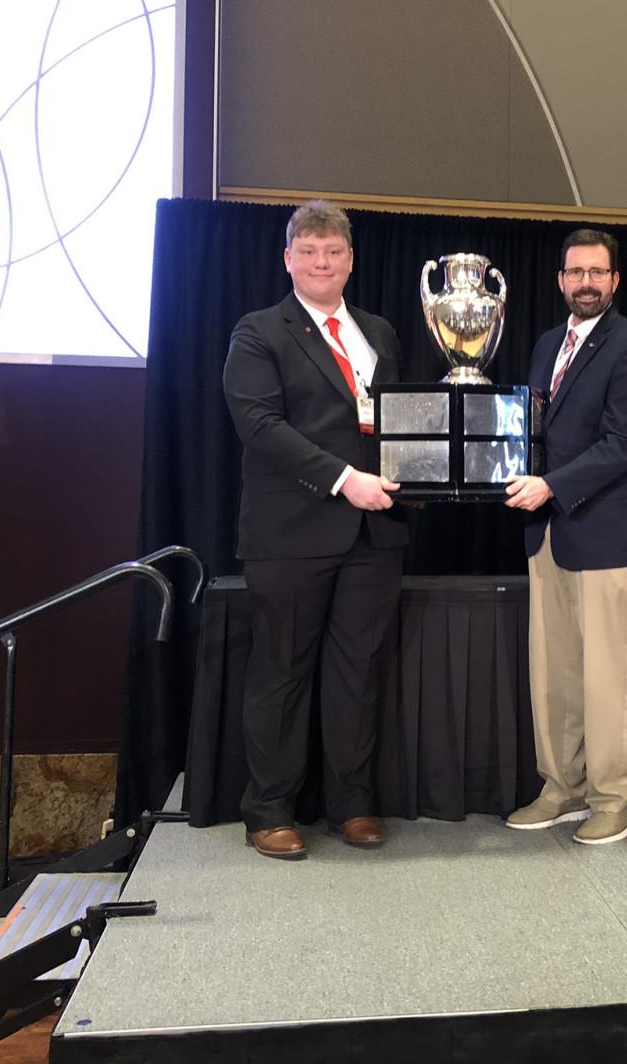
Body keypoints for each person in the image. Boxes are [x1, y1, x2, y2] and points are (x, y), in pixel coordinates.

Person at [221, 201, 407, 861]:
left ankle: (351, 804)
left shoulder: (379, 333)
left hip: (373, 537)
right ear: (288, 260)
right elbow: (261, 427)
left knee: (358, 675)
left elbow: (393, 424)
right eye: (309, 252)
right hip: (291, 532)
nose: (322, 263)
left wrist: (422, 464)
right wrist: (341, 479)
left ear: (350, 260)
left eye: (333, 253)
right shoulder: (259, 332)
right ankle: (269, 810)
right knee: (282, 675)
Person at [503, 228, 627, 845]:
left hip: (604, 536)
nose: (586, 283)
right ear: (561, 281)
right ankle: (560, 788)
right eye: (576, 273)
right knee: (555, 674)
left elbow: (626, 443)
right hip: (547, 536)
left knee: (606, 677)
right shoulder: (547, 344)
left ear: (615, 282)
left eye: (598, 273)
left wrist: (550, 485)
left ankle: (616, 799)